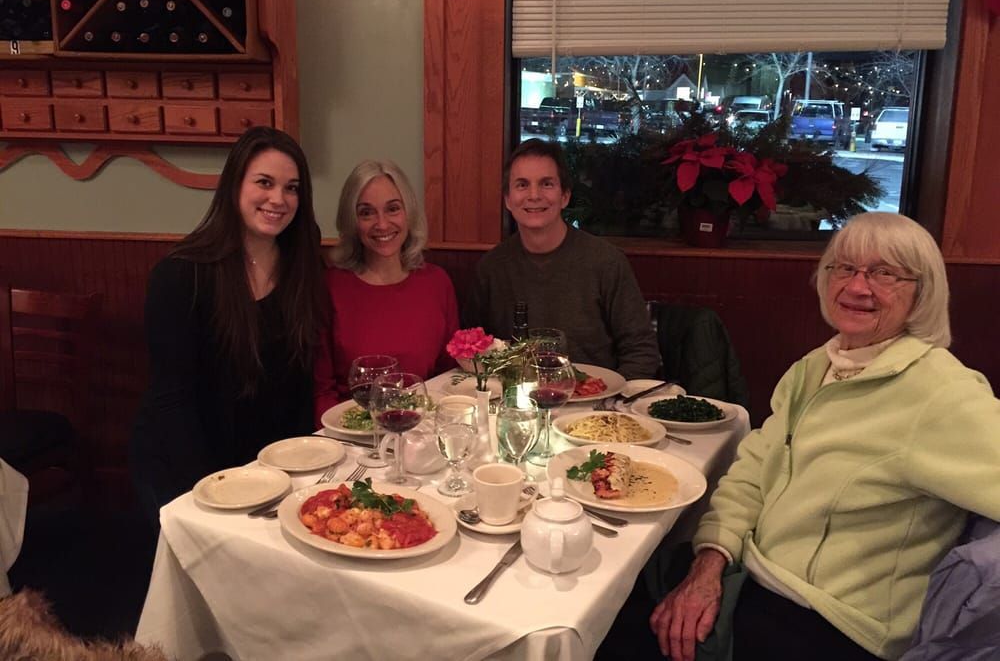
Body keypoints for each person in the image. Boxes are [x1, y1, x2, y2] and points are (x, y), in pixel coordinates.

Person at [606, 212, 1000, 661]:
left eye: (885, 273)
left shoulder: (940, 393)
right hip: (757, 572)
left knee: (615, 642)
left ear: (922, 293)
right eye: (844, 267)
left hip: (831, 620)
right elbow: (752, 472)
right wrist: (711, 559)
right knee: (613, 591)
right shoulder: (816, 369)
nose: (856, 287)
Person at [131, 127, 328, 524]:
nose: (279, 199)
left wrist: (302, 476)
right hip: (186, 464)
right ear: (234, 185)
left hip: (265, 468)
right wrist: (209, 490)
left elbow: (298, 383)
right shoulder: (181, 275)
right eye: (264, 183)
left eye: (291, 188)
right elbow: (173, 402)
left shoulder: (302, 268)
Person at [463, 138, 659, 379]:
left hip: (595, 404)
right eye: (522, 185)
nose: (534, 195)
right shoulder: (491, 269)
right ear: (507, 200)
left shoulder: (606, 262)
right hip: (516, 405)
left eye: (546, 184)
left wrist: (611, 404)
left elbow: (641, 351)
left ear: (565, 196)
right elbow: (474, 351)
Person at [312, 160, 459, 422]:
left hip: (421, 431)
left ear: (408, 213)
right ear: (352, 221)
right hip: (350, 439)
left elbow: (448, 377)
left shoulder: (437, 283)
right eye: (366, 213)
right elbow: (321, 391)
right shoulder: (330, 286)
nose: (382, 224)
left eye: (393, 209)